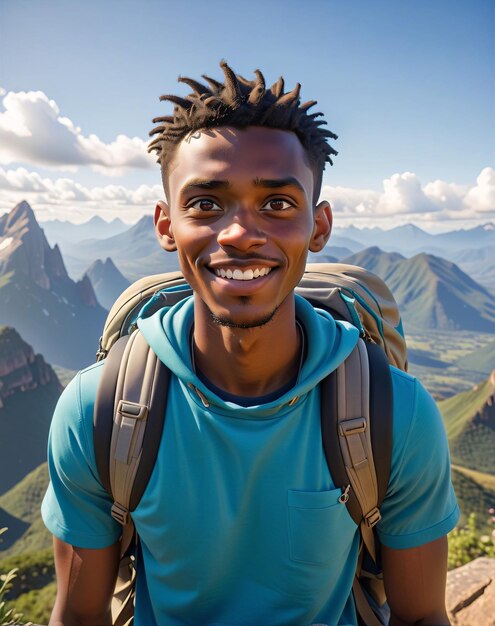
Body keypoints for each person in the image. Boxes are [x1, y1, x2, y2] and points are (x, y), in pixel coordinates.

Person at [41, 61, 460, 626]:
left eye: (278, 204)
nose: (239, 233)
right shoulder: (99, 412)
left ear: (319, 225)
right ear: (166, 226)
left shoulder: (396, 414)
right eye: (206, 204)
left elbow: (421, 617)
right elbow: (78, 618)